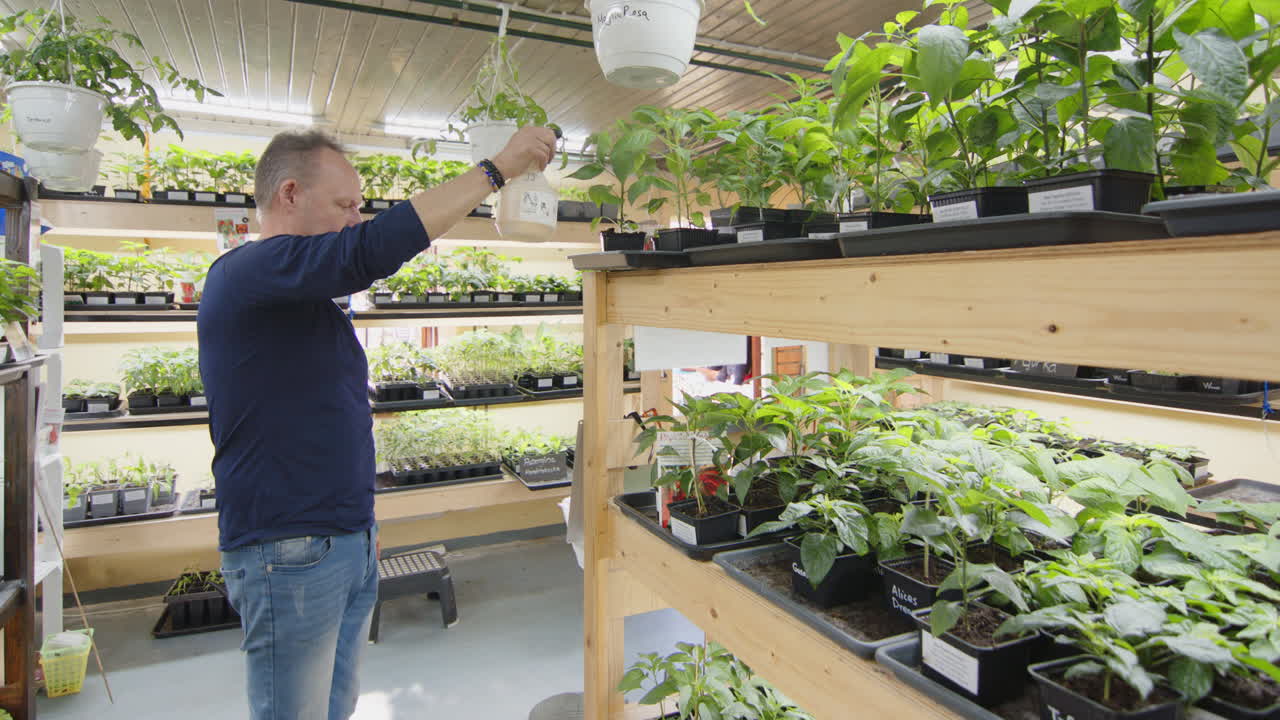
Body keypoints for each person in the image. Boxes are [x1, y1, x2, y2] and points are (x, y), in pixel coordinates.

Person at [198, 126, 556, 720]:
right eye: (344, 205)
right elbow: (369, 251)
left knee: (335, 707)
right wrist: (496, 170)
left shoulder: (299, 294)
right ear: (289, 194)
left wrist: (360, 528)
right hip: (288, 550)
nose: (355, 217)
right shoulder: (247, 272)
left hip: (342, 541)